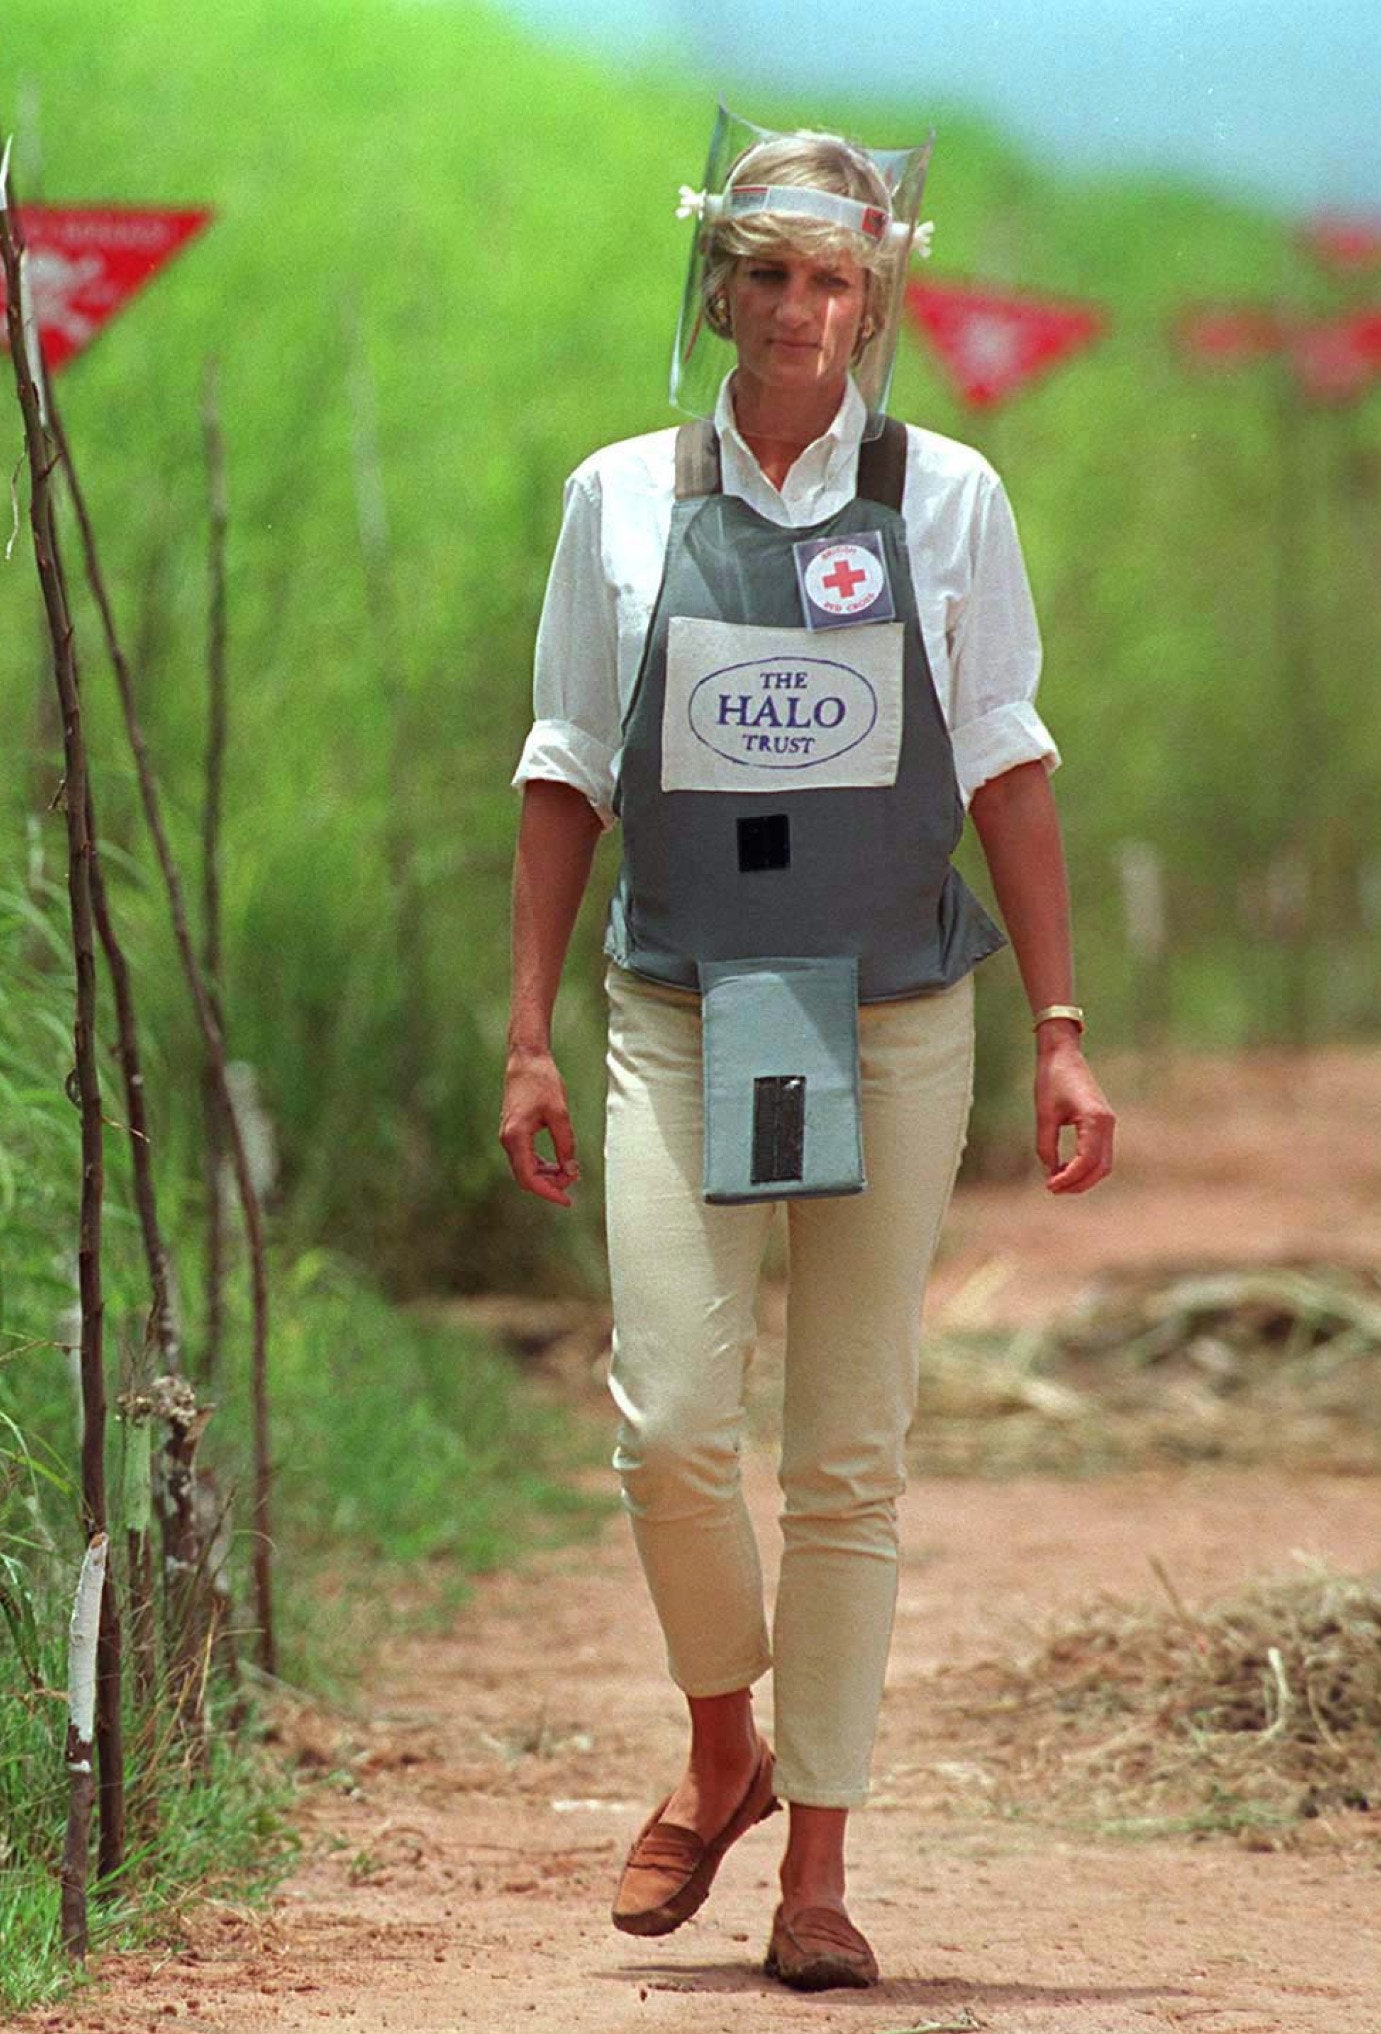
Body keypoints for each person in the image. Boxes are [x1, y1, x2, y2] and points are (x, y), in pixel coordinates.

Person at [501, 110, 1114, 1993]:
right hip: (681, 1005)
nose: (793, 308)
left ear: (875, 296)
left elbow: (1005, 758)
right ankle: (721, 1749)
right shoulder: (618, 495)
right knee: (671, 1420)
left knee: (848, 1451)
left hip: (894, 1008)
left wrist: (1062, 1030)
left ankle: (818, 1870)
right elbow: (565, 768)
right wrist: (523, 1028)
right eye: (761, 272)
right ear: (718, 285)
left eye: (829, 276)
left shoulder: (949, 502)